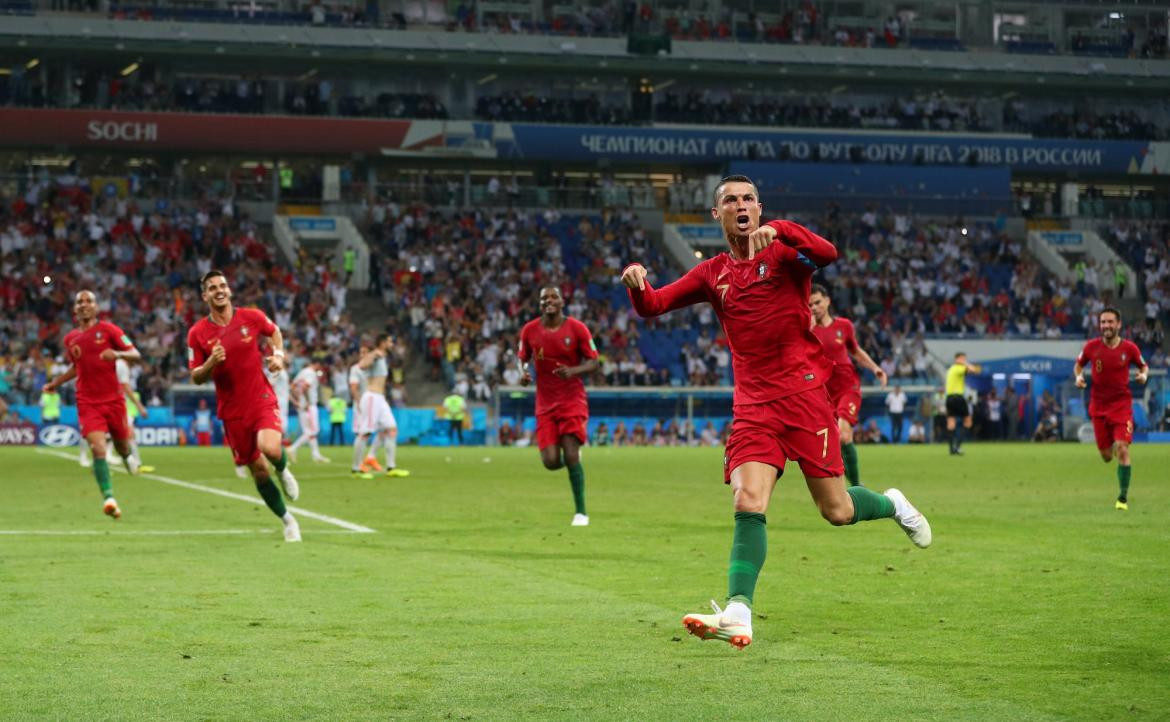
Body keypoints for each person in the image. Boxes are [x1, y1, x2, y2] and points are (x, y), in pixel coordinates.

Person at [620, 174, 930, 650]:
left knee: (838, 510)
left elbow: (828, 254)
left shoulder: (784, 253)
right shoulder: (711, 274)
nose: (740, 206)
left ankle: (892, 504)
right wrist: (638, 284)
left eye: (748, 199)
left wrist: (783, 231)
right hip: (753, 407)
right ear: (717, 214)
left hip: (805, 399)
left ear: (759, 208)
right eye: (730, 200)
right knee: (747, 501)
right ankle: (739, 610)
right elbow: (654, 306)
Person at [187, 270, 302, 542]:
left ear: (229, 290)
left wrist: (278, 355)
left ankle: (284, 470)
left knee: (270, 448)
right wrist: (212, 362)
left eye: (222, 285)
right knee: (258, 472)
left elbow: (274, 333)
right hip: (232, 412)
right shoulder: (197, 334)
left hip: (260, 398)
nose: (219, 290)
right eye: (212, 287)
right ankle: (288, 521)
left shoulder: (251, 317)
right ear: (205, 296)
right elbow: (196, 377)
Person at [42, 290, 143, 519]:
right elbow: (77, 367)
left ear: (96, 307)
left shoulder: (110, 330)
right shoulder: (70, 339)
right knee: (97, 448)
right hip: (88, 401)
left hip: (114, 400)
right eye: (80, 302)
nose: (84, 305)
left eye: (89, 301)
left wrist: (116, 354)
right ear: (75, 309)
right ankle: (109, 498)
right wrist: (56, 383)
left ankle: (127, 459)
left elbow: (136, 354)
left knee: (122, 446)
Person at [517, 285, 601, 527]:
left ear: (562, 302)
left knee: (571, 453)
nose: (549, 301)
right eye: (544, 298)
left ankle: (581, 512)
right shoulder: (530, 330)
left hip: (572, 399)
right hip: (544, 402)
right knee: (551, 461)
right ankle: (572, 461)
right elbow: (521, 358)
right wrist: (523, 373)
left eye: (553, 297)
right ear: (540, 303)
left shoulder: (577, 329)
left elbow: (594, 362)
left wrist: (573, 370)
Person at [809, 284, 887, 484]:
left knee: (844, 435)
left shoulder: (844, 326)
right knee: (833, 440)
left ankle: (857, 486)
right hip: (823, 391)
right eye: (809, 305)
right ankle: (843, 484)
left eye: (817, 302)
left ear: (827, 301)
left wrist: (875, 368)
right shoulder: (806, 330)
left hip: (847, 386)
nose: (814, 308)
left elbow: (855, 351)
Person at [1074, 307, 1149, 510]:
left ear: (1118, 324)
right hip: (1098, 407)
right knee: (1107, 456)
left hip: (1121, 406)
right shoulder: (1091, 347)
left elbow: (1144, 366)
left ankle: (1122, 498)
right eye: (1103, 322)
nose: (1106, 326)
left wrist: (1143, 376)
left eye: (1110, 322)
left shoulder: (1130, 349)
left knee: (1123, 449)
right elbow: (1079, 365)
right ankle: (1117, 447)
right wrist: (1078, 377)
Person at [352, 334, 410, 478]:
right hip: (371, 397)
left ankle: (391, 468)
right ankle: (356, 469)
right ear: (382, 343)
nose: (392, 344)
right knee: (365, 432)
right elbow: (362, 365)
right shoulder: (376, 354)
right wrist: (372, 355)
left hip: (380, 399)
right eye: (390, 341)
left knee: (391, 429)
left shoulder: (383, 356)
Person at [116, 358, 155, 473]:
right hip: (117, 402)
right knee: (124, 434)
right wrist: (140, 406)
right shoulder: (120, 365)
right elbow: (126, 387)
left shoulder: (124, 366)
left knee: (128, 434)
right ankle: (101, 463)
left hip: (122, 402)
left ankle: (137, 464)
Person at [288, 359, 330, 463]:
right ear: (317, 364)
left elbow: (292, 387)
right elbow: (306, 387)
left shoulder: (302, 372)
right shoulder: (311, 373)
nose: (319, 369)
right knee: (313, 431)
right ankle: (292, 448)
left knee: (308, 431)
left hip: (302, 406)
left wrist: (297, 400)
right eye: (320, 367)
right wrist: (306, 401)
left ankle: (316, 454)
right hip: (309, 405)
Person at [945, 352, 982, 455]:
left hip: (949, 398)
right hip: (958, 398)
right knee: (968, 422)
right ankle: (957, 446)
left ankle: (951, 449)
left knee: (951, 423)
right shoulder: (958, 368)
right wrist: (965, 363)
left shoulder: (951, 369)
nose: (964, 360)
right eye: (963, 358)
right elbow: (975, 370)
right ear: (958, 359)